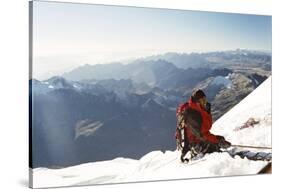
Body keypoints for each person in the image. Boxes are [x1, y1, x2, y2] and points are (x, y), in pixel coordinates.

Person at [176, 89, 231, 163]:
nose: (205, 102)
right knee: (215, 150)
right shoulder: (192, 115)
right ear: (197, 102)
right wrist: (218, 141)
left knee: (219, 141)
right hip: (194, 143)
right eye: (202, 100)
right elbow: (202, 135)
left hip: (198, 139)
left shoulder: (199, 109)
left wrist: (218, 140)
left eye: (205, 99)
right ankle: (195, 153)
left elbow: (204, 131)